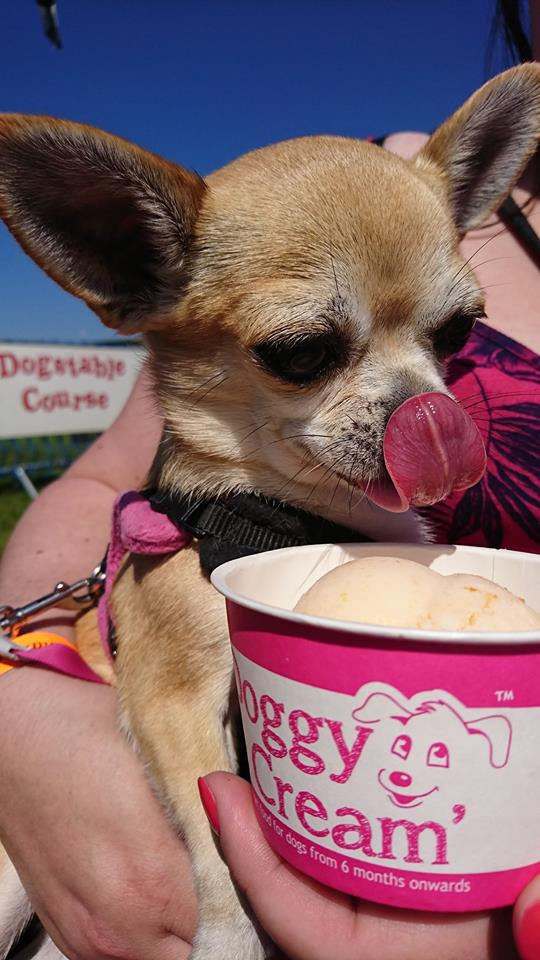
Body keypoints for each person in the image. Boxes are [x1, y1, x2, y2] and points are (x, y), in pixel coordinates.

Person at [1, 6, 539, 960]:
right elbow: (95, 493)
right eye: (303, 350)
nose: (421, 401)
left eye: (449, 333)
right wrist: (20, 705)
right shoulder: (203, 552)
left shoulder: (414, 200)